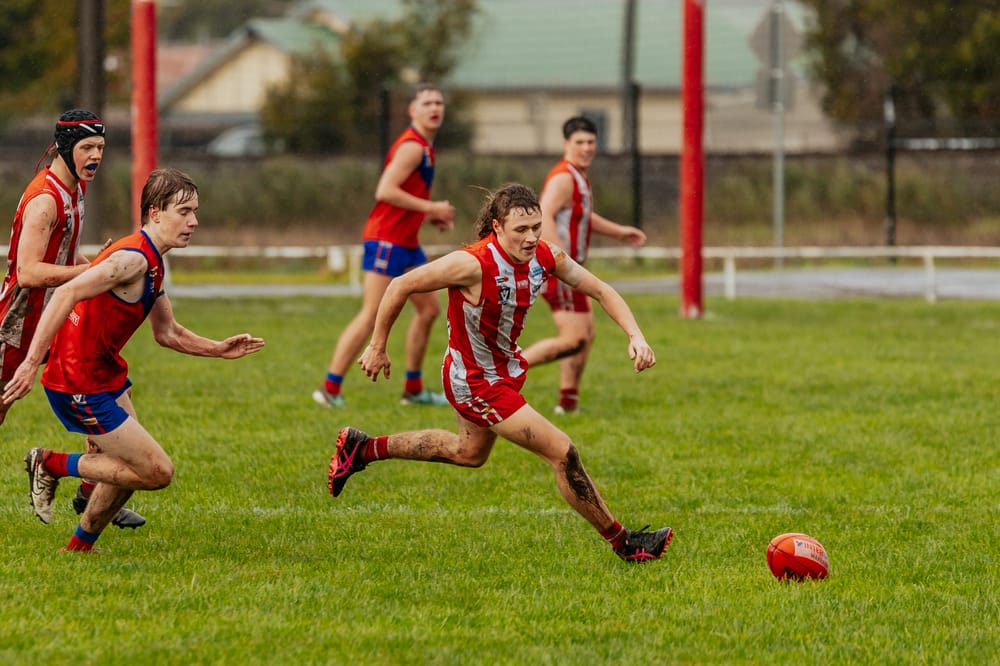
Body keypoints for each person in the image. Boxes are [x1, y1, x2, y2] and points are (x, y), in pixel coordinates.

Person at [327, 183, 672, 563]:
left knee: (469, 453)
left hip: (500, 372)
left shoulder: (545, 256)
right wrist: (377, 346)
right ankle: (626, 543)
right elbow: (400, 285)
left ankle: (362, 448)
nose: (530, 237)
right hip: (475, 381)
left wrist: (636, 336)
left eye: (536, 227)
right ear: (496, 227)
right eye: (520, 230)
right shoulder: (472, 264)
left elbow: (602, 290)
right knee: (563, 452)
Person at [2, 167, 265, 552]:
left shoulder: (155, 261)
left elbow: (168, 332)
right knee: (156, 471)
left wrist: (218, 349)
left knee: (128, 470)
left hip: (104, 374)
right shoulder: (132, 260)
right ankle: (50, 463)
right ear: (155, 213)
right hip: (77, 380)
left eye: (195, 211)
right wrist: (29, 363)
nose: (194, 221)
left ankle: (78, 549)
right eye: (184, 212)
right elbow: (65, 293)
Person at [0, 109, 145, 529]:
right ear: (65, 148)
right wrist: (92, 272)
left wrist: (101, 266)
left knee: (106, 390)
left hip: (62, 312)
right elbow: (27, 272)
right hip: (20, 321)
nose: (96, 155)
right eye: (87, 147)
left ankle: (93, 493)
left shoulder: (75, 188)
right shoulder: (46, 200)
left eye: (100, 147)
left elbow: (64, 258)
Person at [312, 83, 456, 409]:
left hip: (406, 242)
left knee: (430, 309)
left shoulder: (425, 147)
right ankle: (329, 389)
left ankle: (414, 389)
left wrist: (428, 214)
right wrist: (431, 208)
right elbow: (385, 190)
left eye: (439, 102)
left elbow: (405, 195)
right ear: (413, 110)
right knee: (372, 315)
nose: (435, 107)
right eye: (427, 102)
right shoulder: (412, 147)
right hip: (386, 240)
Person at [521, 116, 648, 415]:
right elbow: (545, 214)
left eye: (591, 142)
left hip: (570, 269)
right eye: (580, 142)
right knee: (575, 338)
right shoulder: (563, 177)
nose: (587, 147)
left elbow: (580, 216)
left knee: (585, 336)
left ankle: (568, 401)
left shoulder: (578, 177)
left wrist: (619, 232)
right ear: (566, 144)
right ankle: (507, 372)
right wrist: (559, 260)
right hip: (562, 271)